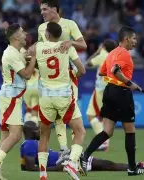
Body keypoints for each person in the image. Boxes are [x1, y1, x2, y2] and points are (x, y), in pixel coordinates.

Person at [80, 26, 144, 176]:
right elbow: (115, 71)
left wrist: (117, 79)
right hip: (121, 93)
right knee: (130, 131)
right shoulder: (124, 53)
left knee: (107, 132)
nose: (135, 42)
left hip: (109, 92)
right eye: (134, 38)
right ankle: (132, 168)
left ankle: (85, 156)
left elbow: (102, 72)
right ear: (126, 39)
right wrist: (130, 83)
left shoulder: (111, 53)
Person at [32, 22, 86, 180]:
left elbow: (30, 59)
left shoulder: (39, 47)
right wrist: (73, 75)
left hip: (45, 98)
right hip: (63, 95)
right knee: (79, 131)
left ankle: (42, 174)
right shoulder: (67, 47)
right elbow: (82, 70)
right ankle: (71, 162)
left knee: (44, 136)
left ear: (47, 34)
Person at [0, 24, 36, 180]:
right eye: (22, 32)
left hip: (10, 96)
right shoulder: (11, 54)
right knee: (16, 135)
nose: (25, 34)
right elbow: (27, 74)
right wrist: (34, 57)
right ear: (15, 37)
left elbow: (28, 58)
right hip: (11, 97)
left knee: (5, 136)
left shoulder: (17, 51)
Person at [37, 0, 87, 157]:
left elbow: (83, 45)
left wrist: (70, 41)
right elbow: (40, 49)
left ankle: (73, 155)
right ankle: (65, 150)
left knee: (72, 116)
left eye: (45, 9)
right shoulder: (41, 28)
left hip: (67, 76)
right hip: (48, 79)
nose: (42, 12)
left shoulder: (69, 24)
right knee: (56, 115)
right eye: (41, 10)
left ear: (54, 9)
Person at [19, 121, 144, 172]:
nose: (40, 130)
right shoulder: (30, 145)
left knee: (107, 165)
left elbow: (24, 167)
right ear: (31, 132)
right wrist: (58, 168)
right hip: (69, 162)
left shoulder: (27, 145)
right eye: (37, 129)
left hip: (67, 160)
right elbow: (31, 168)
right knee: (108, 165)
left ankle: (143, 165)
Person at [85, 39, 118, 151]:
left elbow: (87, 63)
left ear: (103, 47)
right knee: (104, 118)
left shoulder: (102, 55)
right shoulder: (114, 57)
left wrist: (97, 52)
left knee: (91, 115)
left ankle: (103, 141)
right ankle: (104, 141)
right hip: (110, 89)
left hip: (100, 91)